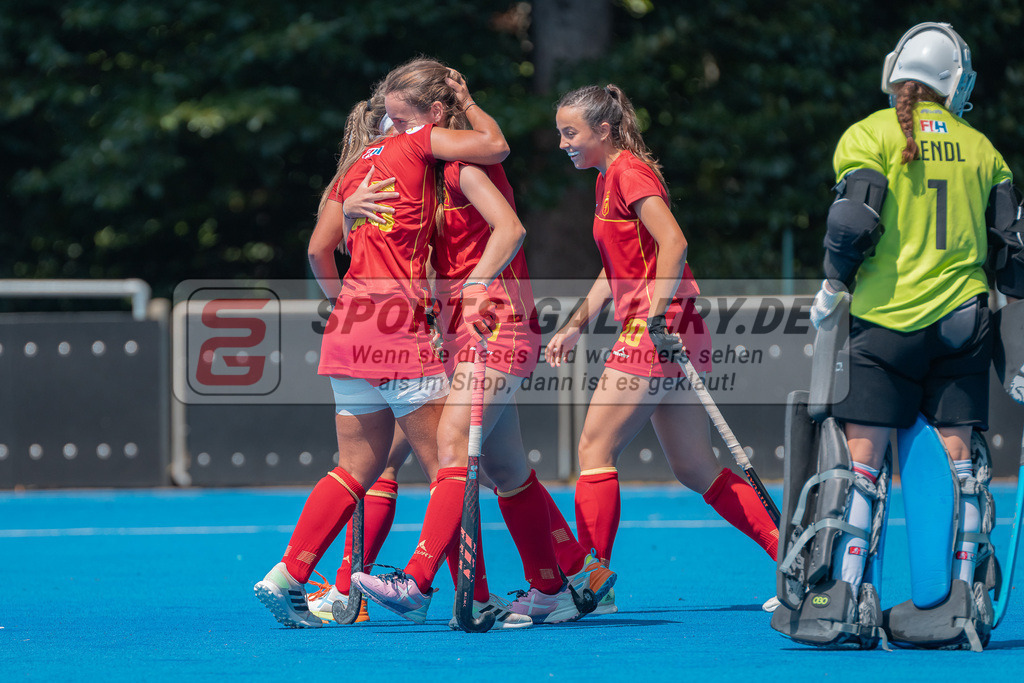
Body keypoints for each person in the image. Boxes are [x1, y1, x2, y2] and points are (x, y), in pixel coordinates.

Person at [352, 64, 616, 629]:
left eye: (402, 121)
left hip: (498, 325)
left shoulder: (460, 166)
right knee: (506, 469)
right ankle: (560, 583)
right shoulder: (425, 174)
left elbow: (511, 229)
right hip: (464, 331)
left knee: (452, 446)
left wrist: (474, 287)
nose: (394, 132)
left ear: (435, 116)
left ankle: (417, 580)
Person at [253, 61, 513, 629]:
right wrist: (468, 102)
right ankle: (467, 596)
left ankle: (288, 575)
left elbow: (318, 251)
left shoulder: (349, 172)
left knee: (354, 469)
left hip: (348, 327)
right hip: (397, 327)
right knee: (449, 467)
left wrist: (345, 301)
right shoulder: (418, 142)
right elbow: (496, 146)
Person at [788, 22, 1022, 649]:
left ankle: (843, 600)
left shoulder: (870, 134)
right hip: (963, 321)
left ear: (896, 71)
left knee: (862, 462)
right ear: (956, 84)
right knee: (958, 463)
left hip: (886, 322)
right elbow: (1013, 253)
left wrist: (833, 286)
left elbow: (852, 221)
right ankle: (959, 601)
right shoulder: (984, 150)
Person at [548, 84, 779, 614]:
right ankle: (796, 558)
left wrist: (653, 315)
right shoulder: (606, 178)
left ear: (603, 130)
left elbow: (674, 241)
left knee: (594, 450)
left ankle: (592, 580)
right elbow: (616, 269)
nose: (563, 144)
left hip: (659, 329)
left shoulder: (628, 172)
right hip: (673, 327)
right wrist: (577, 324)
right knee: (695, 467)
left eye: (570, 133)